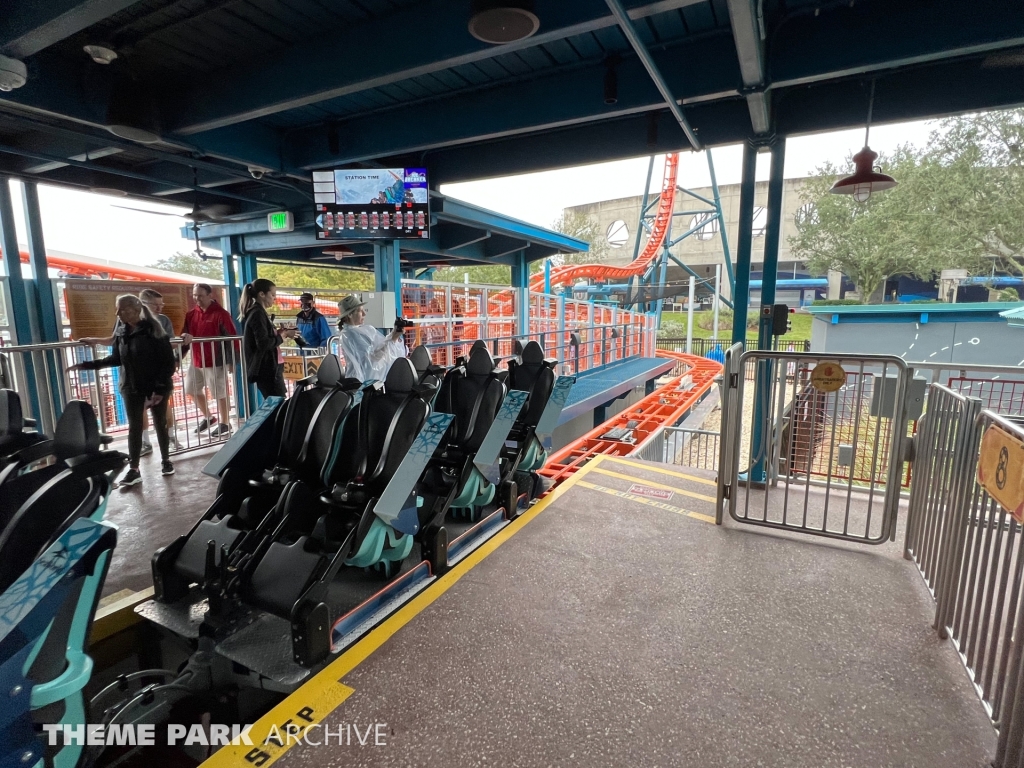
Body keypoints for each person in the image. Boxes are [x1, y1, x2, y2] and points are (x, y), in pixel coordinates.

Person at [69, 294, 176, 485]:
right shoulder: (121, 331)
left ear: (136, 309)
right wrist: (87, 365)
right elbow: (116, 359)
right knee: (134, 426)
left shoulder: (154, 331)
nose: (118, 313)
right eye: (117, 309)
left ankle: (166, 460)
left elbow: (168, 364)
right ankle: (134, 469)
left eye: (123, 309)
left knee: (160, 422)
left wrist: (159, 389)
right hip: (131, 385)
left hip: (156, 385)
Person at [181, 283, 237, 437]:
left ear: (210, 295)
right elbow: (185, 337)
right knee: (190, 389)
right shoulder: (191, 314)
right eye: (194, 295)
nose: (196, 298)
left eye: (200, 295)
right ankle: (209, 417)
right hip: (196, 359)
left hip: (216, 360)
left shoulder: (221, 314)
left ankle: (225, 423)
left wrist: (232, 361)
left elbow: (232, 338)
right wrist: (177, 359)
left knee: (219, 392)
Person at [239, 279, 297, 399]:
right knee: (276, 403)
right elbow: (263, 343)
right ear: (261, 294)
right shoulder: (257, 314)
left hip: (270, 367)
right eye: (272, 295)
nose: (274, 298)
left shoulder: (258, 312)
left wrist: (280, 333)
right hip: (267, 369)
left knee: (276, 402)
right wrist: (283, 335)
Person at [337, 294, 406, 382]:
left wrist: (392, 336)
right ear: (350, 314)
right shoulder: (352, 335)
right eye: (360, 311)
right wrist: (392, 339)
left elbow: (377, 349)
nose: (364, 314)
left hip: (359, 380)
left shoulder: (355, 331)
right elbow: (371, 361)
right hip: (363, 383)